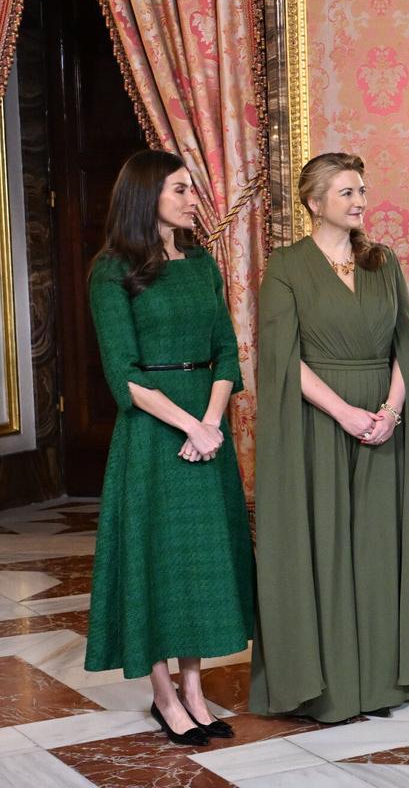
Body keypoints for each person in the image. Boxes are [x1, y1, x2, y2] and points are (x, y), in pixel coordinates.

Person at [251, 152, 409, 723]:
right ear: (315, 202)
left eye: (362, 189)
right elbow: (283, 359)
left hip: (384, 422)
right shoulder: (285, 266)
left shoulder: (383, 263)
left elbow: (405, 346)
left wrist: (390, 411)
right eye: (348, 191)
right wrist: (346, 414)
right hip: (319, 425)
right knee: (325, 547)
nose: (360, 200)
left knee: (379, 550)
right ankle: (328, 688)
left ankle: (383, 682)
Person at [85, 150, 254, 747]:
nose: (191, 199)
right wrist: (189, 425)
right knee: (155, 560)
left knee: (198, 562)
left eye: (191, 190)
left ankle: (195, 688)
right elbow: (123, 376)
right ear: (146, 195)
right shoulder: (111, 271)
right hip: (153, 435)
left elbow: (227, 353)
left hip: (204, 430)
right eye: (180, 190)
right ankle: (163, 695)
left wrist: (210, 422)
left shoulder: (203, 263)